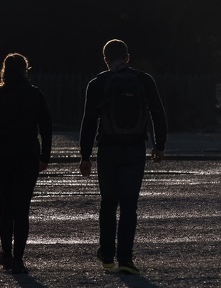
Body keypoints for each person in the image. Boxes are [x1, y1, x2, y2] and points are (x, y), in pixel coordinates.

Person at [79, 39, 167, 275]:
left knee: (109, 203)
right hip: (135, 149)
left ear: (105, 59)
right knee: (129, 205)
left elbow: (88, 121)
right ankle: (126, 259)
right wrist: (159, 145)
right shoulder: (144, 80)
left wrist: (85, 156)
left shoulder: (98, 83)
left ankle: (107, 255)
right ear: (127, 57)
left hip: (108, 149)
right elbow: (158, 112)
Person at [0, 53, 52, 274]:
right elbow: (46, 128)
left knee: (6, 205)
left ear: (4, 70)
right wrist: (45, 157)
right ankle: (18, 258)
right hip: (27, 155)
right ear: (25, 69)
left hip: (3, 155)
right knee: (22, 207)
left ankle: (6, 253)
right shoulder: (35, 95)